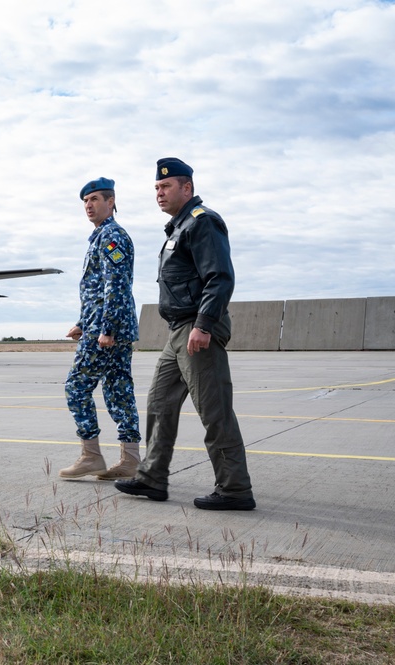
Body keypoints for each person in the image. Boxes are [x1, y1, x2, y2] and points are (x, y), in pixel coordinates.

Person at [115, 158, 256, 510]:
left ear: (186, 188)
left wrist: (204, 325)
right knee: (160, 403)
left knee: (214, 411)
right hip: (177, 331)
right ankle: (152, 478)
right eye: (156, 189)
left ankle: (235, 489)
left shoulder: (202, 222)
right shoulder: (177, 229)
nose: (159, 193)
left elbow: (219, 277)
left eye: (165, 187)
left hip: (197, 328)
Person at [60, 177, 141, 481]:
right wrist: (82, 323)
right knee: (118, 391)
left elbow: (115, 285)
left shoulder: (112, 237)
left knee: (76, 387)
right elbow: (96, 290)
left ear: (111, 201)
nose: (89, 206)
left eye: (95, 199)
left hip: (106, 331)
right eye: (85, 201)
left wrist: (105, 328)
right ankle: (130, 460)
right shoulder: (101, 237)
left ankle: (91, 455)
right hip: (104, 327)